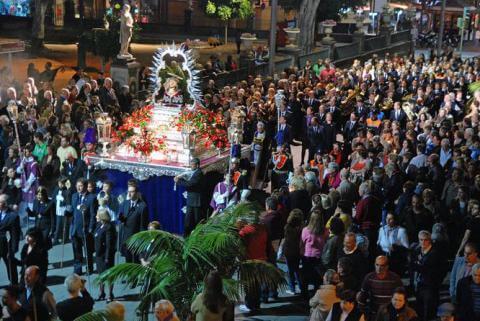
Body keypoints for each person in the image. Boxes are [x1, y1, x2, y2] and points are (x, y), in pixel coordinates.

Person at [411, 230, 447, 321]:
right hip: (419, 285)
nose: (423, 242)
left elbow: (442, 270)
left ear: (429, 240)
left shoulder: (436, 253)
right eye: (421, 240)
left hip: (430, 287)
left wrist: (436, 283)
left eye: (425, 240)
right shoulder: (417, 250)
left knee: (429, 312)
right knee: (419, 309)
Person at [69, 178, 97, 275]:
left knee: (88, 251)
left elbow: (93, 215)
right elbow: (72, 211)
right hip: (75, 229)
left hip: (85, 229)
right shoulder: (74, 196)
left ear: (85, 186)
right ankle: (78, 269)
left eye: (80, 186)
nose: (78, 188)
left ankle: (89, 268)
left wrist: (90, 228)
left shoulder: (92, 198)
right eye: (77, 186)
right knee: (76, 251)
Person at [118, 181, 148, 263]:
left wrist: (140, 240)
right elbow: (123, 219)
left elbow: (143, 226)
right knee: (127, 261)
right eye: (128, 191)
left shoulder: (142, 206)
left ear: (137, 193)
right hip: (125, 238)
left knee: (135, 262)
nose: (129, 194)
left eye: (132, 192)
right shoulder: (125, 203)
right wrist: (121, 218)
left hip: (135, 239)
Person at [174, 157, 204, 235]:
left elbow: (190, 184)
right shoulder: (193, 172)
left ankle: (197, 235)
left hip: (196, 201)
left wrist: (178, 181)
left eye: (192, 165)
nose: (191, 166)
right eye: (190, 164)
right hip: (191, 200)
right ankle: (186, 235)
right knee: (188, 220)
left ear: (197, 165)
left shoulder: (198, 173)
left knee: (197, 220)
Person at [94, 209, 117, 301]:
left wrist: (107, 257)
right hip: (99, 255)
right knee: (101, 275)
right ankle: (101, 292)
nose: (96, 217)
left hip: (106, 256)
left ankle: (110, 294)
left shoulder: (109, 227)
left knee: (109, 275)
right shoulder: (99, 225)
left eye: (97, 215)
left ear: (102, 216)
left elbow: (109, 244)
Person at [0, 194, 20, 285]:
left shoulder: (13, 216)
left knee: (10, 265)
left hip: (6, 246)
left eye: (1, 202)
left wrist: (13, 249)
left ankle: (14, 283)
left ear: (6, 203)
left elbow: (15, 234)